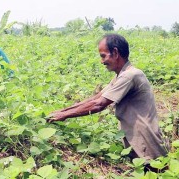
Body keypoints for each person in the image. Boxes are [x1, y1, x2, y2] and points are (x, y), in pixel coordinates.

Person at [47, 34, 169, 172]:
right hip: (137, 141)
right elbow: (95, 98)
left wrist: (64, 116)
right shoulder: (121, 75)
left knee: (155, 173)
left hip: (146, 142)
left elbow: (99, 104)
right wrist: (61, 112)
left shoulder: (130, 75)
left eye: (103, 56)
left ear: (115, 53)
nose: (102, 61)